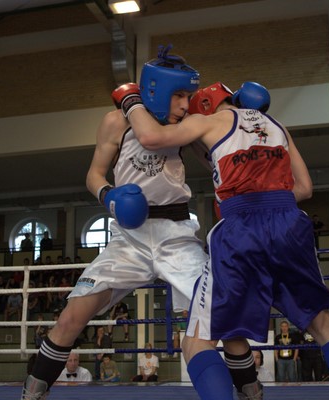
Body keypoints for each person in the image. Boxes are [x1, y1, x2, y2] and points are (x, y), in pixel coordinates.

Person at [124, 80, 329, 399]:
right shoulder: (276, 125)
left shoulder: (208, 121)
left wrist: (130, 99)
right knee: (324, 327)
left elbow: (150, 138)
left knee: (197, 341)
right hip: (290, 225)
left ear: (203, 106)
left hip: (241, 229)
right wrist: (265, 196)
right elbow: (305, 189)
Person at [21, 45, 207, 399]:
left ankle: (246, 389)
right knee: (71, 317)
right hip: (128, 238)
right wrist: (109, 195)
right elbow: (94, 174)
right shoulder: (115, 122)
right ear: (158, 90)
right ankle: (31, 394)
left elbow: (217, 160)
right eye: (179, 95)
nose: (186, 104)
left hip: (177, 234)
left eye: (189, 96)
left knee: (211, 321)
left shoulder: (188, 123)